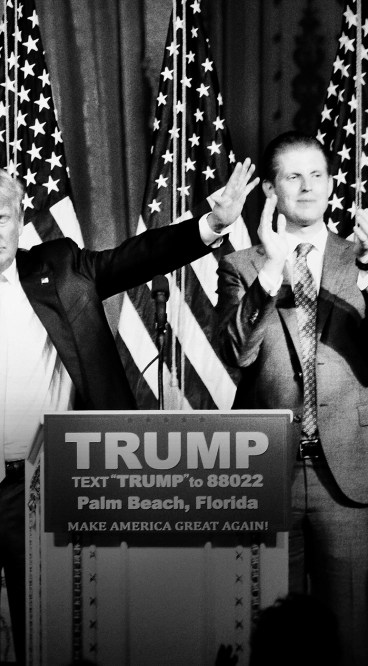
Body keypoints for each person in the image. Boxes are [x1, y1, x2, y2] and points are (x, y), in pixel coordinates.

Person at [0, 166, 256, 664]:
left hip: (53, 492)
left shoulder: (64, 267)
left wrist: (210, 224)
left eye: (2, 219)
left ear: (20, 218)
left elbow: (137, 257)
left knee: (61, 641)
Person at [214, 131, 368, 666]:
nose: (307, 187)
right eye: (292, 176)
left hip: (347, 477)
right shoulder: (243, 266)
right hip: (268, 471)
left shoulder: (362, 261)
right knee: (270, 641)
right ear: (272, 189)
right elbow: (238, 352)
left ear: (331, 185)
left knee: (349, 639)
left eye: (317, 175)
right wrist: (273, 271)